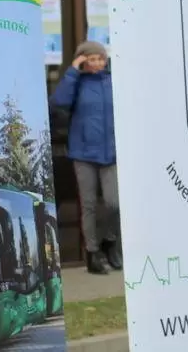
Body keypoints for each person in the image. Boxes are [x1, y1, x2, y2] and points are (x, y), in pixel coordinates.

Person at [51, 40, 121, 275]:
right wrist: (73, 70)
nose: (97, 63)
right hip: (83, 153)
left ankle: (109, 240)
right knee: (88, 205)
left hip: (111, 152)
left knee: (114, 203)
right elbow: (59, 102)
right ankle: (92, 253)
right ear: (83, 61)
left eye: (100, 58)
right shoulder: (76, 82)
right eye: (91, 59)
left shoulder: (113, 81)